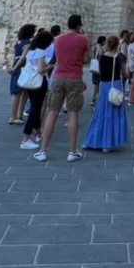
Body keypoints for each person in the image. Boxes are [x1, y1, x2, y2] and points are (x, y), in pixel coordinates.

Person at [34, 14, 90, 162]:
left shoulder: (57, 39)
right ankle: (72, 151)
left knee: (51, 112)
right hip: (74, 78)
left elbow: (57, 58)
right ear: (79, 25)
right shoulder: (83, 39)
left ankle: (43, 150)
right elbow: (85, 60)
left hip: (58, 77)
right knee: (72, 114)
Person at [83, 36, 128, 152]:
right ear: (117, 44)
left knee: (101, 113)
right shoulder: (119, 57)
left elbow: (100, 71)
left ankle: (92, 140)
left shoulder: (101, 57)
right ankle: (106, 144)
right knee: (112, 113)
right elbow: (125, 73)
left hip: (103, 85)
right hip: (115, 85)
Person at [19, 29, 54, 150]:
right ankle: (26, 138)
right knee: (35, 110)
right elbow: (40, 70)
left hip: (30, 83)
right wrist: (51, 66)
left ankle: (38, 132)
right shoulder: (41, 52)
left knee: (35, 107)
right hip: (39, 82)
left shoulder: (30, 51)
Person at [8, 24, 36, 125]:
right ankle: (13, 116)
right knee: (19, 93)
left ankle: (18, 115)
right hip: (23, 68)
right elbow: (23, 57)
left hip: (17, 66)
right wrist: (15, 68)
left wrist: (12, 67)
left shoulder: (19, 43)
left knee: (23, 92)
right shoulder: (28, 44)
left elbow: (16, 57)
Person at [89, 35, 106, 107]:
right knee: (97, 84)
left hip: (95, 68)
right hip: (98, 68)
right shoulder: (99, 47)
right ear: (102, 41)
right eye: (105, 40)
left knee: (96, 84)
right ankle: (94, 99)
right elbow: (101, 54)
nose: (105, 42)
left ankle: (94, 99)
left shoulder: (96, 46)